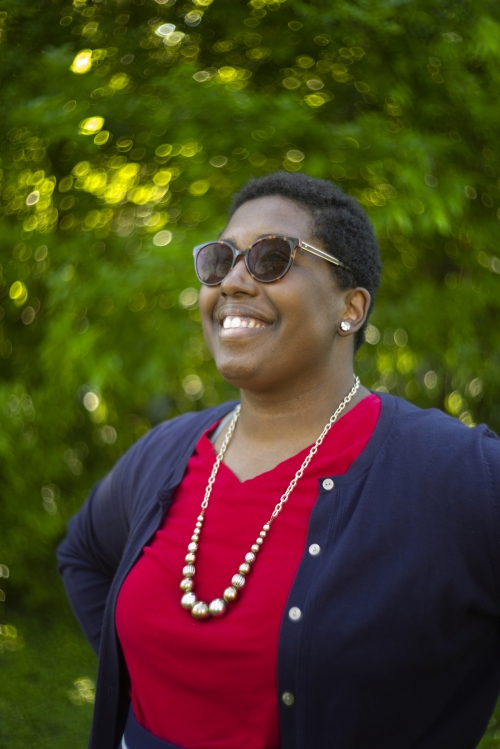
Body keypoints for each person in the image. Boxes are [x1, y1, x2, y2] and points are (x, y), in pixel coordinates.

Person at [58, 171, 500, 749]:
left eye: (271, 257)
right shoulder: (167, 452)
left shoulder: (458, 475)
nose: (234, 280)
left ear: (352, 307)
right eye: (220, 261)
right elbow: (83, 553)